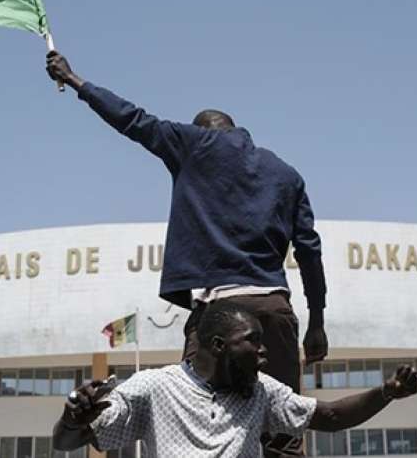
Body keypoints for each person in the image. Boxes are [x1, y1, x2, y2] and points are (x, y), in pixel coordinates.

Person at [47, 50, 328, 453]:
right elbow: (309, 250)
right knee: (284, 437)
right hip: (274, 311)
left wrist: (75, 81)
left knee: (201, 420)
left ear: (206, 130)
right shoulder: (286, 174)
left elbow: (132, 119)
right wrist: (316, 320)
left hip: (219, 315)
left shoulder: (195, 144)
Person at [53, 301, 417, 457]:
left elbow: (331, 417)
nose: (264, 353)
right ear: (218, 345)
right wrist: (73, 418)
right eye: (253, 342)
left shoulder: (261, 392)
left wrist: (386, 392)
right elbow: (68, 441)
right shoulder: (153, 387)